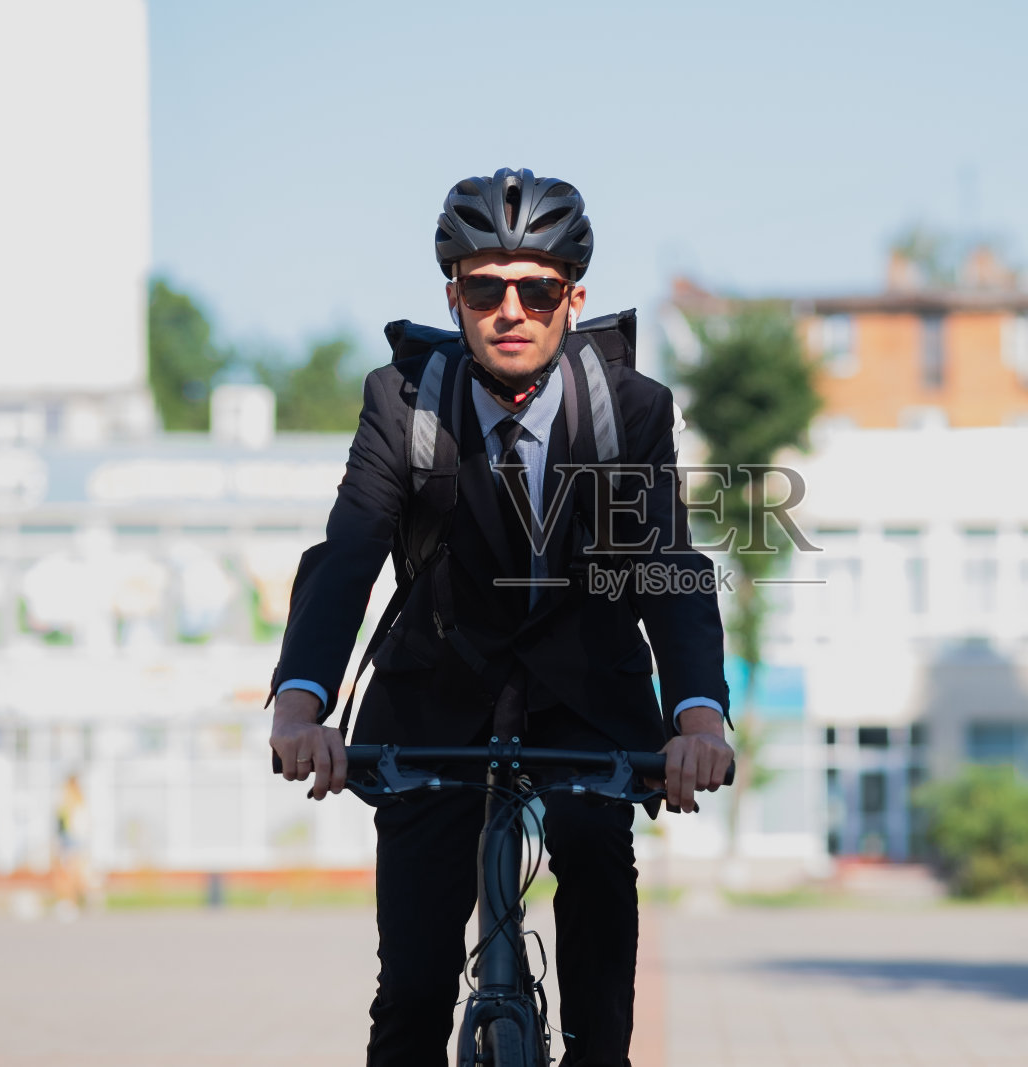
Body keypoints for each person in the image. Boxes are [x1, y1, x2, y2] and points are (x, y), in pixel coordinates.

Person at [266, 167, 733, 1067]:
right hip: (433, 698)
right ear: (454, 295)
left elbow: (666, 565)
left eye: (536, 288)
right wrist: (299, 701)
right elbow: (349, 551)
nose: (509, 309)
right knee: (410, 993)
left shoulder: (630, 411)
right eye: (485, 287)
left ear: (573, 297)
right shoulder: (401, 403)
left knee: (597, 870)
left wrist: (698, 716)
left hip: (588, 700)